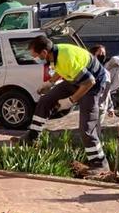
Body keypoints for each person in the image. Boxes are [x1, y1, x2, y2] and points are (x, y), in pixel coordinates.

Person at [18, 36, 109, 171]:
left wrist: (70, 100)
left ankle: (100, 164)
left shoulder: (65, 58)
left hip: (93, 85)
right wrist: (50, 82)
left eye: (35, 55)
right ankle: (32, 137)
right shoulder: (54, 54)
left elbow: (89, 81)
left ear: (44, 52)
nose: (35, 58)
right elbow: (61, 69)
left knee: (86, 127)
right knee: (45, 100)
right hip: (75, 80)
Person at [90, 45, 113, 120]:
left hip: (103, 107)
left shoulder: (106, 72)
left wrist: (110, 107)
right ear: (93, 55)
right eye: (100, 53)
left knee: (98, 129)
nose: (102, 56)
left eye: (104, 53)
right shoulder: (88, 71)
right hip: (92, 106)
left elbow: (107, 90)